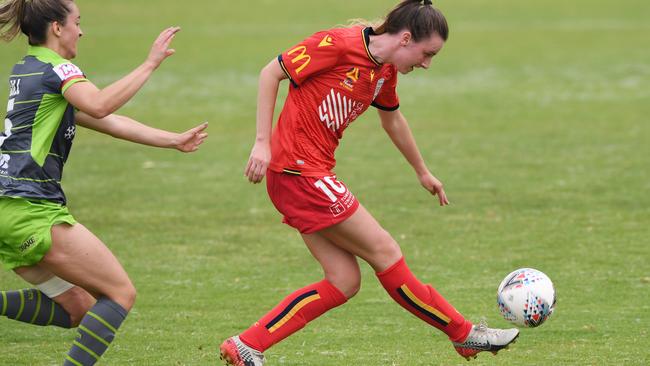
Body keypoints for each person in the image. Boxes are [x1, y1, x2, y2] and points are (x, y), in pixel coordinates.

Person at [220, 1, 519, 364]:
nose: (426, 64)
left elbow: (392, 120)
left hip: (303, 176)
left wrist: (421, 171)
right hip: (299, 172)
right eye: (427, 54)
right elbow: (271, 72)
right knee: (387, 253)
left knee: (343, 281)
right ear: (406, 38)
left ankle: (246, 345)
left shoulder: (385, 71)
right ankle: (464, 334)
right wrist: (262, 142)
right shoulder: (337, 45)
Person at [0, 0, 207, 365]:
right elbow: (99, 106)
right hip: (29, 206)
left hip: (9, 208)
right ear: (57, 28)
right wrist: (149, 63)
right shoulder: (59, 70)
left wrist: (172, 140)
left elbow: (109, 122)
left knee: (77, 307)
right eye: (77, 22)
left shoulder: (28, 68)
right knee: (119, 293)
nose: (81, 30)